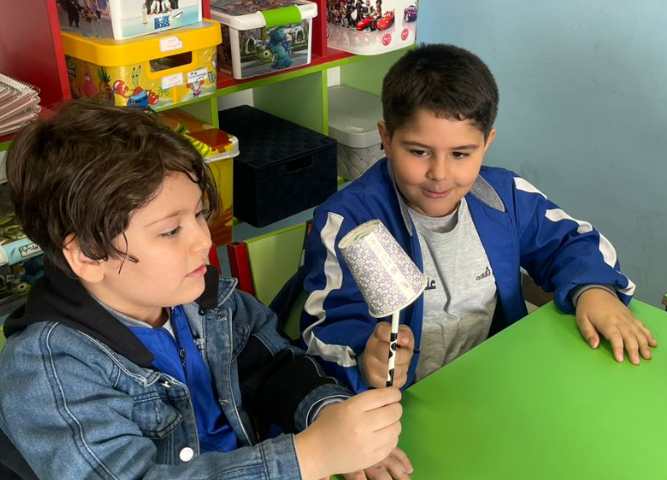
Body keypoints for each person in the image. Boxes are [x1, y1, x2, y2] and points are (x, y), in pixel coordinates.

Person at [0, 101, 404, 480]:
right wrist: (308, 457)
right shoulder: (49, 369)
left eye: (198, 214)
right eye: (169, 231)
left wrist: (331, 418)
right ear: (88, 255)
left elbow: (275, 369)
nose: (203, 241)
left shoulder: (207, 299)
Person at [301, 43, 657, 395]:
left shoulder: (505, 197)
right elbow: (324, 329)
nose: (439, 174)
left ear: (486, 144)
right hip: (398, 407)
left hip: (492, 385)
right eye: (419, 152)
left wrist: (593, 289)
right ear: (386, 138)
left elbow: (571, 241)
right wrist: (365, 359)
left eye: (460, 154)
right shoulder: (348, 221)